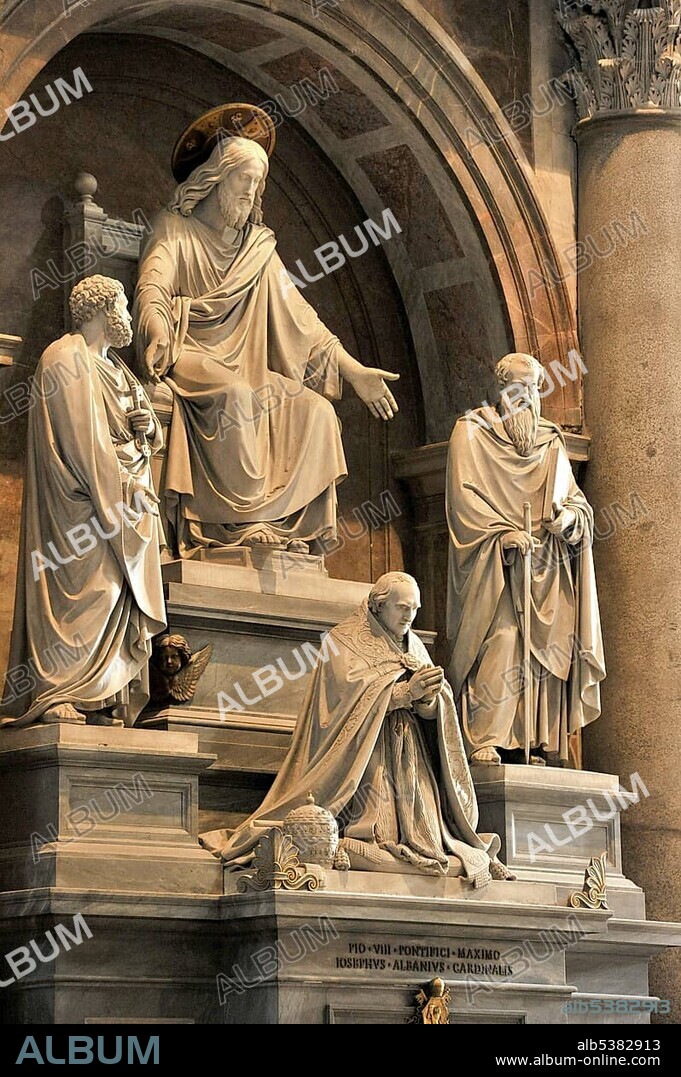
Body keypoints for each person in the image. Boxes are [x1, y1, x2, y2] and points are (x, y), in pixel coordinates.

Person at [134, 131, 399, 557]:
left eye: (259, 183)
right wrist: (157, 329)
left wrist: (354, 371)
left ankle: (287, 534)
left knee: (317, 412)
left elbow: (302, 318)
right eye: (245, 180)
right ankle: (231, 529)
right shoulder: (175, 229)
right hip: (193, 350)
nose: (252, 192)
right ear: (217, 178)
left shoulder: (257, 248)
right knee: (237, 398)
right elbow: (152, 287)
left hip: (250, 364)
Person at [201, 572, 509, 886]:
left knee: (431, 840)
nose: (409, 616)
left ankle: (430, 854)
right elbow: (336, 710)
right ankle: (356, 845)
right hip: (364, 759)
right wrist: (402, 694)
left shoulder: (414, 643)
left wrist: (430, 699)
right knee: (377, 830)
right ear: (378, 605)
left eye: (415, 609)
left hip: (411, 761)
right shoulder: (343, 641)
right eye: (402, 608)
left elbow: (432, 708)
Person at [0, 275, 166, 728]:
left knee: (114, 591)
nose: (130, 317)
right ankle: (59, 690)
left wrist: (147, 433)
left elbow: (145, 434)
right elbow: (83, 445)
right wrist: (123, 489)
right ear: (99, 310)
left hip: (120, 501)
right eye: (125, 307)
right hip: (79, 506)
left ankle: (101, 694)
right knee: (83, 591)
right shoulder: (64, 359)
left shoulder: (119, 369)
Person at [446, 352, 605, 765]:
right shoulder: (471, 432)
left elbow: (577, 504)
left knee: (543, 653)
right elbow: (463, 502)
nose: (527, 398)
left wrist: (567, 520)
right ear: (501, 392)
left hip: (546, 570)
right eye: (518, 389)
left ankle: (531, 741)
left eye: (534, 389)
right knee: (503, 641)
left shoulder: (550, 441)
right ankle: (485, 736)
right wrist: (503, 536)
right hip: (495, 566)